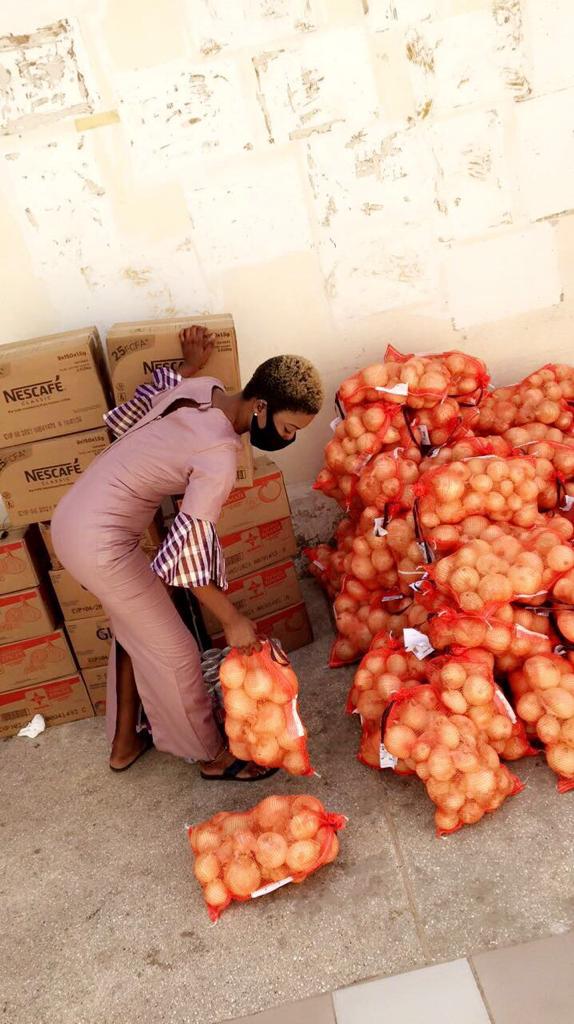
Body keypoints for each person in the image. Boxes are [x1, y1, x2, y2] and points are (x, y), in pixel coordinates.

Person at [50, 326, 323, 781]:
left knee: (134, 628)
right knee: (177, 653)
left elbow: (137, 411)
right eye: (288, 428)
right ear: (260, 407)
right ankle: (211, 757)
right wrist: (233, 620)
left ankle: (124, 743)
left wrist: (187, 365)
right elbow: (185, 552)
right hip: (99, 543)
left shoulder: (203, 388)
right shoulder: (218, 454)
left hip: (74, 518)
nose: (289, 440)